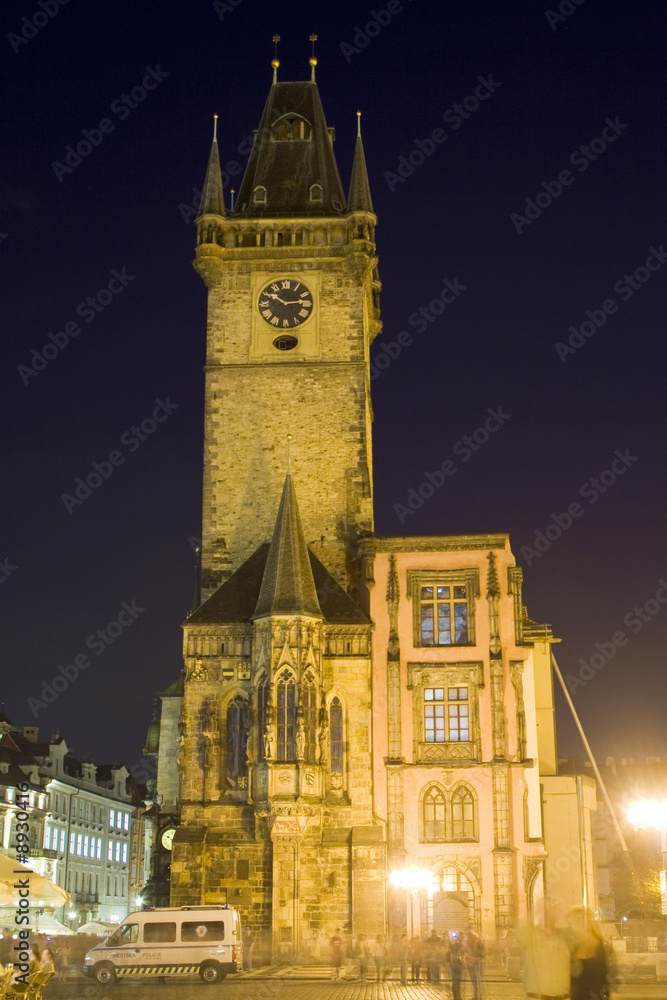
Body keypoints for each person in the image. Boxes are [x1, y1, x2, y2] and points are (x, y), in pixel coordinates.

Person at [570, 921, 612, 1000]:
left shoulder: (600, 947)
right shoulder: (574, 948)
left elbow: (605, 974)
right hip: (579, 995)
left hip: (596, 994)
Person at [464, 929, 485, 999]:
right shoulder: (468, 943)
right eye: (468, 937)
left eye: (469, 937)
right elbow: (466, 952)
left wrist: (475, 958)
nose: (468, 938)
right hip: (471, 964)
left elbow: (482, 954)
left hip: (478, 963)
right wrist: (467, 957)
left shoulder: (479, 943)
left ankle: (479, 996)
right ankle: (476, 996)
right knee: (473, 980)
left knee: (478, 980)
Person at [448, 933, 465, 1000]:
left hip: (454, 964)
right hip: (458, 964)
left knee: (455, 981)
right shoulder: (459, 946)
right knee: (457, 981)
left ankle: (456, 995)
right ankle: (457, 996)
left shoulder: (452, 945)